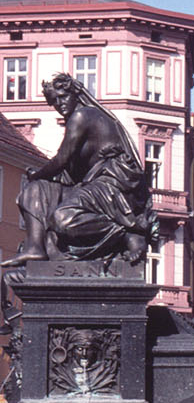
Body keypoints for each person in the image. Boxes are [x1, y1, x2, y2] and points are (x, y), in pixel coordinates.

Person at [1, 73, 155, 267]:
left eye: (63, 97)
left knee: (63, 219)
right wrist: (39, 180)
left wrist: (37, 173)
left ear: (75, 93)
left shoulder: (82, 116)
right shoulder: (81, 116)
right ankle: (35, 249)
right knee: (34, 190)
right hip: (92, 184)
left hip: (112, 186)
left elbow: (62, 159)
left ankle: (128, 233)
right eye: (54, 101)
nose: (60, 104)